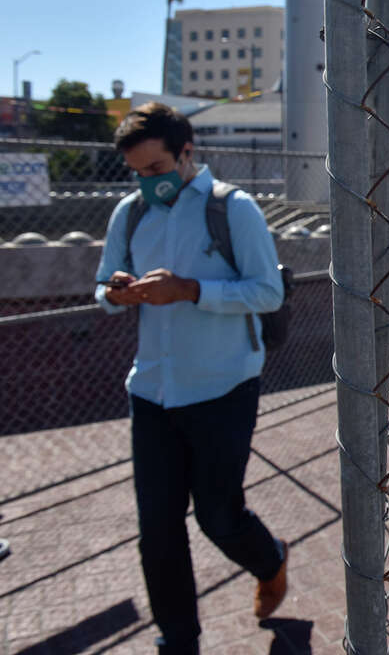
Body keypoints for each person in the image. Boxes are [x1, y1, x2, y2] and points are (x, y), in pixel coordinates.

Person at [94, 102, 288, 654]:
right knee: (157, 529)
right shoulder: (129, 214)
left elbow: (267, 292)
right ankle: (178, 641)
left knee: (217, 515)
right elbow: (103, 286)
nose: (145, 182)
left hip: (224, 386)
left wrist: (190, 290)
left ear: (186, 153)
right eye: (136, 172)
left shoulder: (235, 209)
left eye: (155, 170)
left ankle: (270, 560)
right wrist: (117, 292)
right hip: (151, 391)